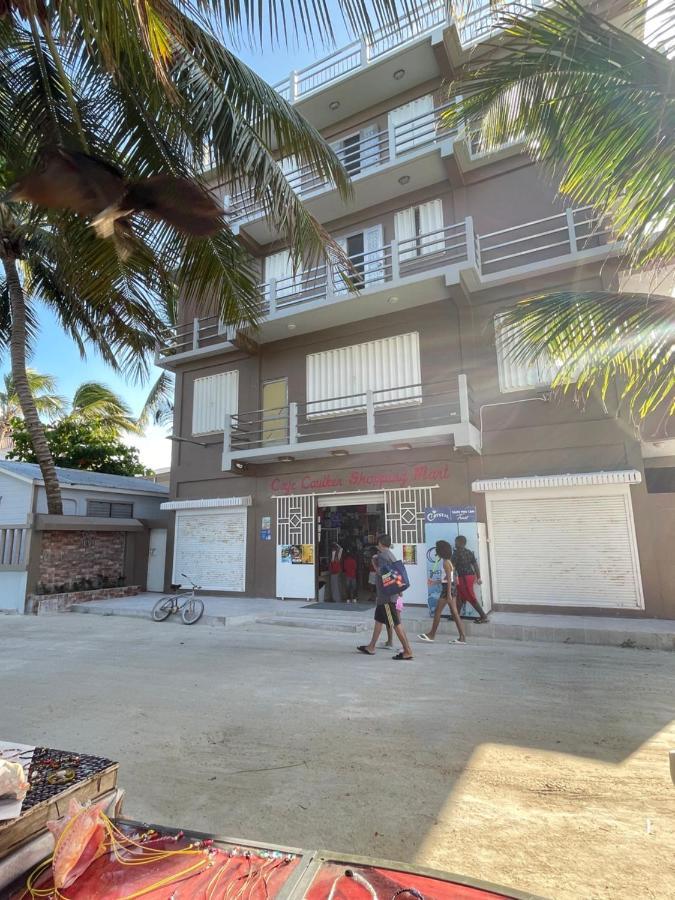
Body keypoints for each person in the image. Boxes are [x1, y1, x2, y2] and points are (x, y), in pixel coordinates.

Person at [357, 534, 413, 660]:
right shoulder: (390, 554)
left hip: (386, 597)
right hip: (386, 596)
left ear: (380, 543)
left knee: (395, 623)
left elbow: (382, 573)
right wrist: (399, 590)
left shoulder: (382, 556)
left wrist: (373, 562)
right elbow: (394, 573)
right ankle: (371, 647)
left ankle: (407, 650)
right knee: (378, 620)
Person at [418, 540, 466, 644]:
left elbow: (449, 579)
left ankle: (431, 635)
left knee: (438, 612)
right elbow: (449, 579)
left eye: (437, 549)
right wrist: (434, 582)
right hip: (451, 589)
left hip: (447, 591)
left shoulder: (445, 563)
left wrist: (448, 594)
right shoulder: (449, 562)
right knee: (454, 613)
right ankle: (462, 637)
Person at [452, 535, 489, 624]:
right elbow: (475, 565)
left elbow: (452, 568)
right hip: (470, 577)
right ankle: (455, 616)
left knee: (470, 597)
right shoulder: (469, 552)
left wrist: (451, 580)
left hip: (464, 578)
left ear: (460, 543)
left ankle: (483, 616)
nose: (455, 544)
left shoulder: (456, 553)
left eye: (456, 542)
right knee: (460, 597)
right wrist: (478, 577)